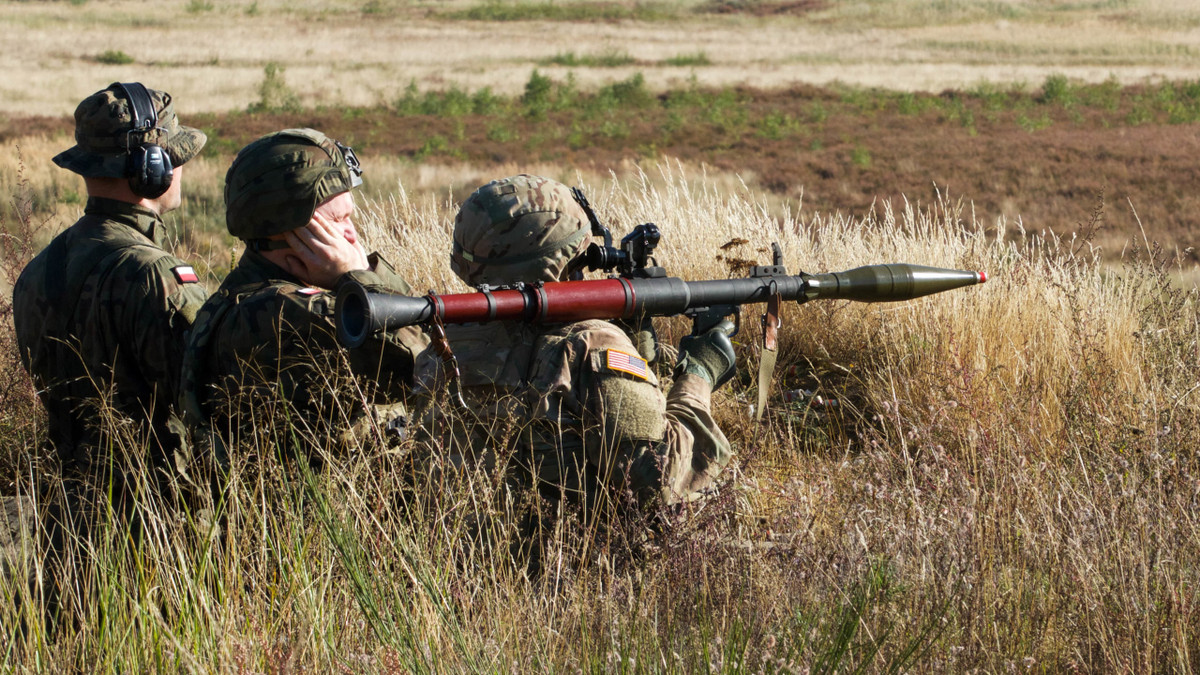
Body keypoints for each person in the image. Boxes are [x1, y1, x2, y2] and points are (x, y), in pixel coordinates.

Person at [414, 174, 735, 558]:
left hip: (452, 563)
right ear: (563, 261)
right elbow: (665, 483)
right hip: (568, 577)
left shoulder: (444, 344)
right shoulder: (589, 344)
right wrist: (699, 374)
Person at [13, 81, 209, 502]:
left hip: (65, 516)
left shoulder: (35, 271)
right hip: (157, 525)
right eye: (175, 157)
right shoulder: (158, 276)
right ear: (152, 169)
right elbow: (215, 403)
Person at [180, 129, 428, 461]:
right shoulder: (291, 310)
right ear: (293, 231)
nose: (352, 232)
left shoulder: (236, 293)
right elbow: (426, 366)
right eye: (338, 219)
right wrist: (357, 278)